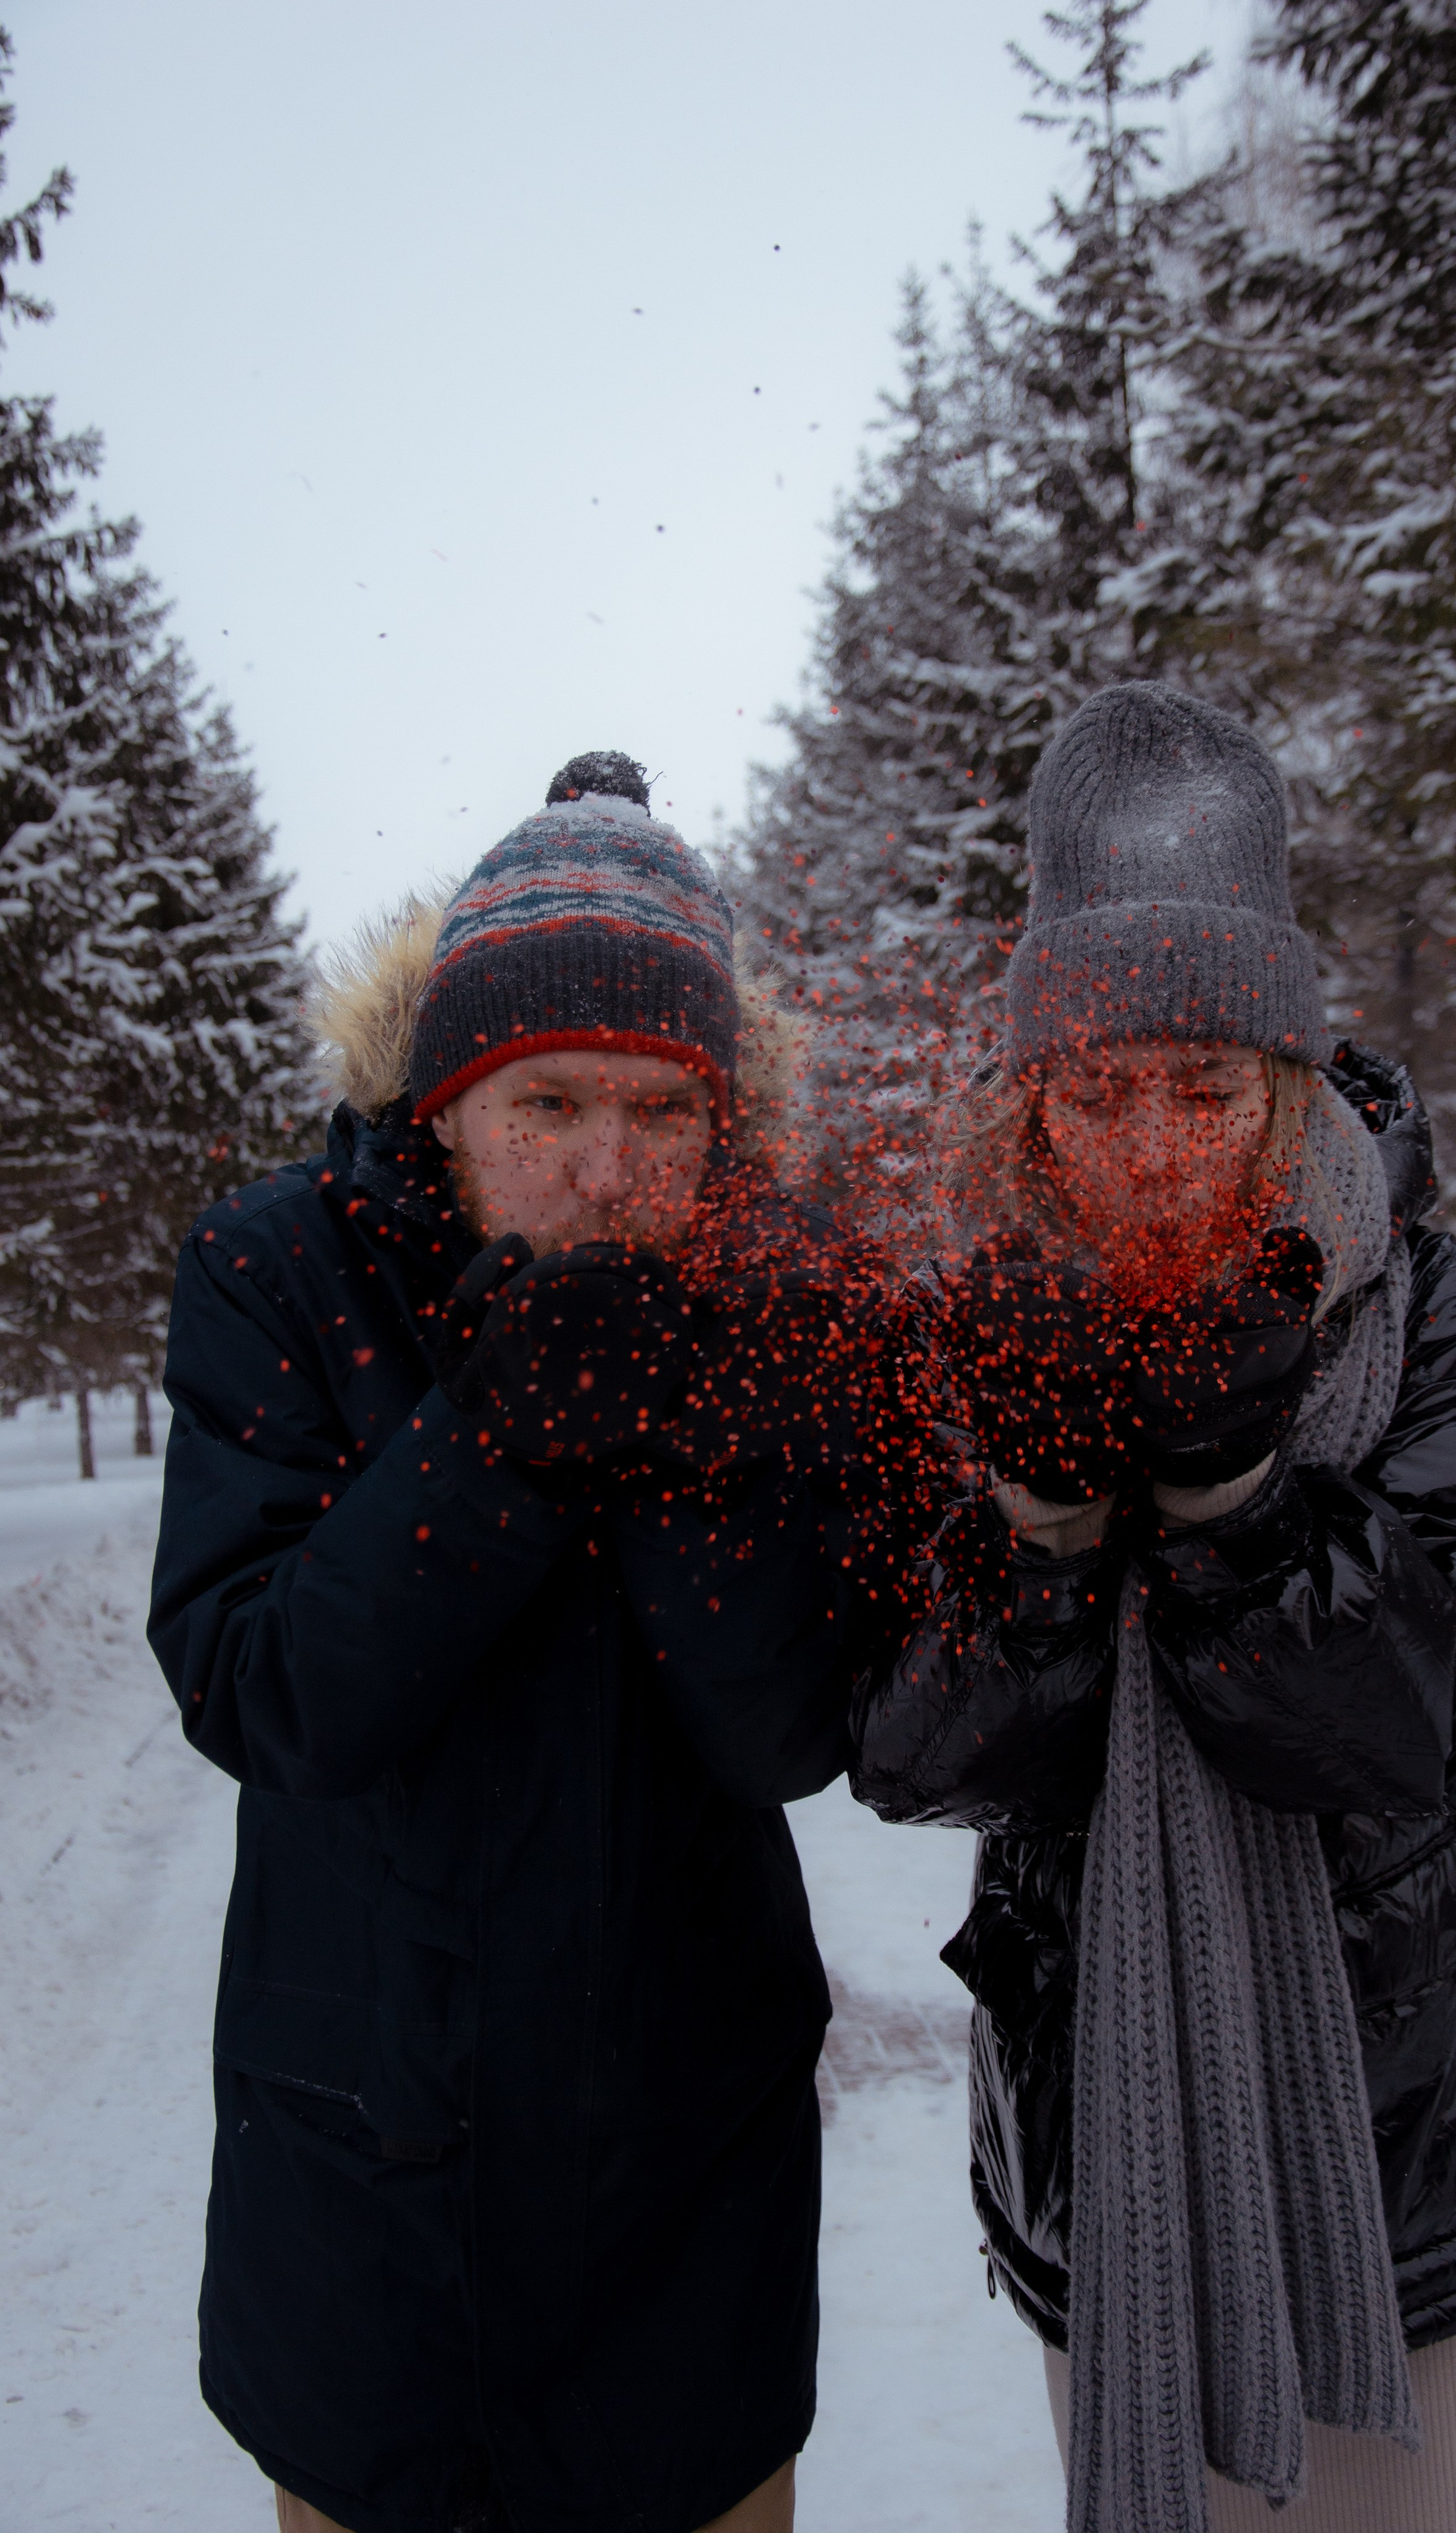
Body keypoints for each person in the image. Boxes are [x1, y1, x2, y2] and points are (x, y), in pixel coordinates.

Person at [853, 685, 1456, 2533]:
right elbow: (902, 1746)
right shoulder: (966, 1339)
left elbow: (1440, 1715)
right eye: (1103, 1091)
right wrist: (1030, 1520)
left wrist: (1239, 1506)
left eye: (1204, 1089)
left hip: (1416, 2140)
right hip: (1114, 2159)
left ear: (1283, 1076)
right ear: (1034, 1096)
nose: (1157, 1143)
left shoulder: (1418, 1309)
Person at [149, 752, 885, 2533]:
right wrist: (496, 1435)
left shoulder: (775, 1298)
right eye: (547, 1103)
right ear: (447, 1101)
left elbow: (788, 1727)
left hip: (683, 2169)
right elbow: (265, 1686)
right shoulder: (283, 1269)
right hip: (364, 2161)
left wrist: (669, 1440)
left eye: (662, 1112)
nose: (607, 1169)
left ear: (726, 1121)